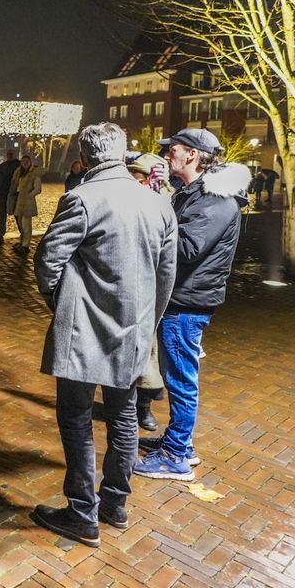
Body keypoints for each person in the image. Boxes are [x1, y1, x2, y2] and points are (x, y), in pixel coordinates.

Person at [30, 122, 178, 548]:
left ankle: (81, 512)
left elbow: (48, 262)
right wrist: (147, 320)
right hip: (134, 330)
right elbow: (165, 276)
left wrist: (62, 306)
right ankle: (114, 503)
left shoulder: (82, 198)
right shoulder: (158, 204)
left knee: (75, 419)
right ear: (123, 152)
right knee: (124, 416)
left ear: (87, 156)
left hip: (83, 331)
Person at [134, 128, 249, 482]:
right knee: (178, 376)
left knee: (181, 379)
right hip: (183, 298)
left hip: (187, 302)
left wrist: (151, 221)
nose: (168, 155)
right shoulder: (195, 193)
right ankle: (178, 442)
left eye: (175, 151)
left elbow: (185, 249)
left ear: (194, 156)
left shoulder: (213, 200)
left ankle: (175, 456)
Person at [126, 150, 174, 431]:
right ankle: (126, 403)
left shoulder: (164, 203)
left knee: (148, 356)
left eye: (141, 176)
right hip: (127, 286)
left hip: (151, 290)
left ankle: (142, 407)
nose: (136, 180)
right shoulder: (126, 199)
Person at [11, 155, 43, 256]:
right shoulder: (20, 173)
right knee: (21, 224)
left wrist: (29, 195)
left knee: (26, 225)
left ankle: (25, 245)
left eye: (27, 161)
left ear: (30, 162)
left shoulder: (34, 174)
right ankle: (22, 242)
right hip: (19, 201)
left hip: (27, 202)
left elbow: (38, 189)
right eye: (23, 161)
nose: (25, 163)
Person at [0, 149, 21, 246]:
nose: (9, 155)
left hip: (13, 194)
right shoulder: (1, 166)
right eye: (8, 154)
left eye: (11, 154)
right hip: (2, 193)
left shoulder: (19, 166)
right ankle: (0, 234)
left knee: (17, 214)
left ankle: (23, 235)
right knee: (1, 214)